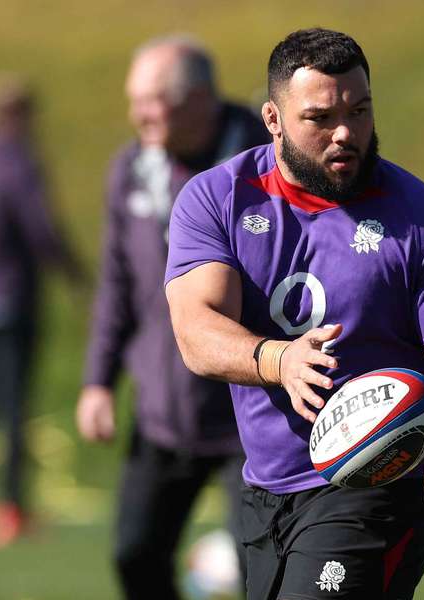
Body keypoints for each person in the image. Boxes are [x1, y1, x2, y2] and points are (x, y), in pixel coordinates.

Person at [164, 28, 424, 600]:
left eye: (360, 111)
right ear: (273, 119)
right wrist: (279, 360)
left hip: (377, 484)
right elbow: (197, 332)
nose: (346, 133)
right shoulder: (217, 199)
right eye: (319, 118)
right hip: (265, 489)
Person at [75, 35, 269, 599]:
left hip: (250, 410)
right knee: (135, 554)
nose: (140, 113)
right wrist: (97, 380)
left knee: (261, 567)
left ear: (203, 98)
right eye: (135, 99)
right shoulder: (133, 168)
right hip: (163, 412)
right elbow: (117, 284)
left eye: (156, 99)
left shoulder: (265, 162)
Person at [0, 73, 84, 547]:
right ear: (22, 114)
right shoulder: (18, 164)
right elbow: (41, 231)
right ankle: (9, 508)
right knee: (11, 407)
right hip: (11, 300)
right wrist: (74, 274)